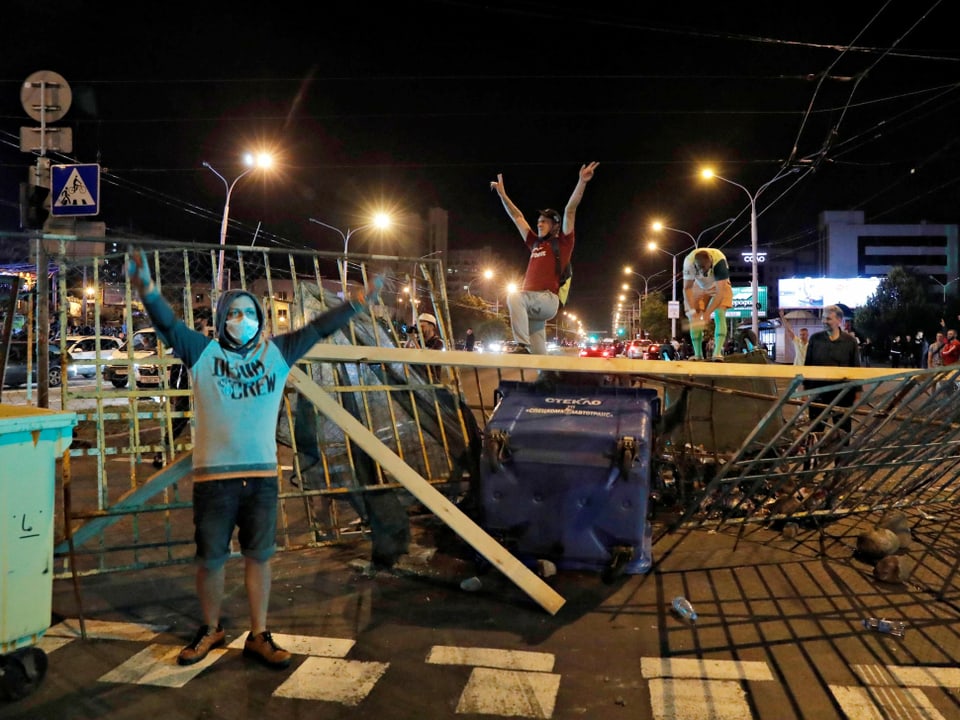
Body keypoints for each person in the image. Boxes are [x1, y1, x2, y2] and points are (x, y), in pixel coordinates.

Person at [127, 249, 381, 669]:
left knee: (258, 558)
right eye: (233, 313)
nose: (240, 320)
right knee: (210, 559)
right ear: (222, 318)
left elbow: (318, 328)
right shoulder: (204, 354)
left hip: (261, 480)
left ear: (260, 320)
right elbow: (168, 326)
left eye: (248, 313)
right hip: (213, 480)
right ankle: (211, 628)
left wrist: (357, 302)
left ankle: (259, 634)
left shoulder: (277, 354)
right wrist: (147, 289)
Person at [490, 162, 598, 354]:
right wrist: (503, 196)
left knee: (514, 296)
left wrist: (582, 182)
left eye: (544, 222)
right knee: (539, 356)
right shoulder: (535, 243)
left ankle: (522, 344)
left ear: (555, 225)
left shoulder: (563, 243)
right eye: (538, 221)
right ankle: (545, 376)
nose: (539, 224)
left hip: (547, 299)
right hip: (533, 304)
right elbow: (517, 217)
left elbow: (570, 210)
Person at [803, 304, 861, 437]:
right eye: (823, 318)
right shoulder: (815, 339)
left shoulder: (850, 342)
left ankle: (841, 458)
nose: (824, 322)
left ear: (839, 321)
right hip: (818, 394)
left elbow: (856, 368)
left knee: (843, 433)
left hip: (843, 395)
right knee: (815, 433)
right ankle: (813, 458)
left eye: (828, 319)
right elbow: (807, 366)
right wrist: (805, 391)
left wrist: (857, 394)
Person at [682, 248, 733, 361]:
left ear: (710, 260)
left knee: (719, 313)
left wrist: (708, 313)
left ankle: (717, 353)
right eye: (699, 268)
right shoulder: (689, 262)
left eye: (705, 268)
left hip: (717, 286)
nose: (702, 271)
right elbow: (687, 288)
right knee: (693, 318)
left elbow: (720, 294)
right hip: (698, 286)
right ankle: (698, 354)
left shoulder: (719, 262)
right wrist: (692, 311)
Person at [417, 312, 444, 382]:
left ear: (431, 327)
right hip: (418, 378)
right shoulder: (418, 341)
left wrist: (414, 341)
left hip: (432, 380)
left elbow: (426, 358)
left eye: (422, 326)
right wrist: (410, 338)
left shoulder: (438, 342)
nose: (420, 329)